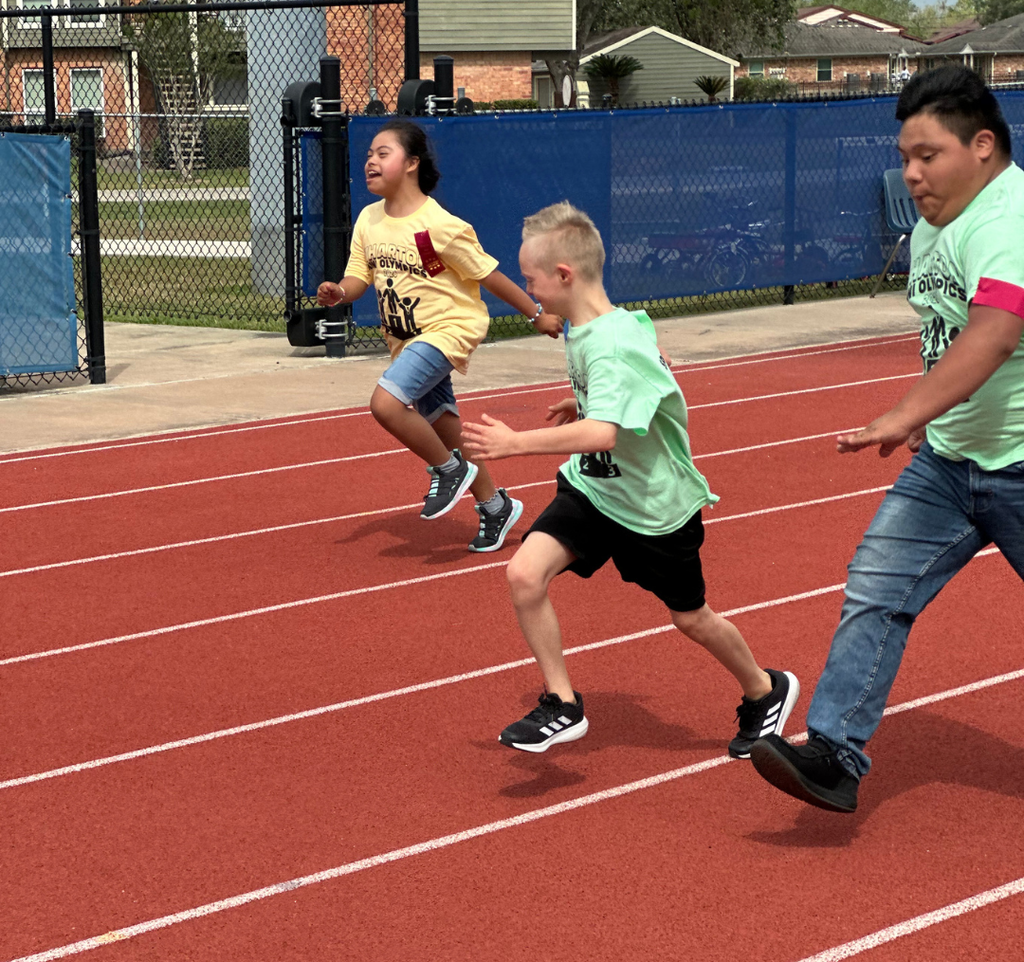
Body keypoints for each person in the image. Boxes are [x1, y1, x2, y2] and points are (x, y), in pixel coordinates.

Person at [750, 65, 1024, 813]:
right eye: (905, 156)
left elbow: (997, 332)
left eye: (927, 155)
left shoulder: (1009, 221)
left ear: (983, 146)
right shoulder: (942, 225)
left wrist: (906, 413)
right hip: (952, 462)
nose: (910, 173)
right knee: (876, 588)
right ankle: (834, 754)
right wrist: (931, 421)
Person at [462, 202, 799, 753]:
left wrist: (515, 443)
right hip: (596, 489)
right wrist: (585, 401)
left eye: (531, 280)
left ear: (564, 276)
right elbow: (640, 380)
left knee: (691, 619)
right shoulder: (600, 327)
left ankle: (765, 689)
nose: (530, 292)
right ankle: (563, 703)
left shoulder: (611, 343)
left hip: (653, 508)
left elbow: (604, 435)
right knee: (525, 575)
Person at [317, 120, 562, 552]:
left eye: (383, 153)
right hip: (406, 341)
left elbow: (489, 275)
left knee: (386, 403)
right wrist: (340, 292)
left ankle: (447, 470)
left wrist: (536, 314)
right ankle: (494, 507)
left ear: (411, 164)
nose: (370, 161)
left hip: (449, 330)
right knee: (444, 427)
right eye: (369, 155)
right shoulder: (369, 220)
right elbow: (358, 275)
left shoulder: (440, 226)